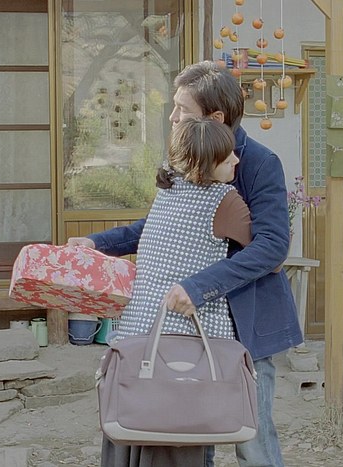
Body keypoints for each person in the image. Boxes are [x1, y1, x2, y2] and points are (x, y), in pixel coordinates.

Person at [68, 60, 302, 467]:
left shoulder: (260, 163)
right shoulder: (188, 153)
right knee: (188, 430)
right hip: (186, 324)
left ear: (216, 117)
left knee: (253, 439)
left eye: (182, 109)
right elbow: (160, 227)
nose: (173, 116)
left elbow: (272, 247)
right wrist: (97, 243)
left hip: (246, 321)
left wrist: (197, 287)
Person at [97, 116, 249, 466]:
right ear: (203, 163)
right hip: (184, 349)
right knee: (175, 438)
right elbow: (268, 255)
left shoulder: (168, 192)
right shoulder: (225, 200)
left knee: (129, 433)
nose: (236, 160)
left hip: (136, 336)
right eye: (226, 156)